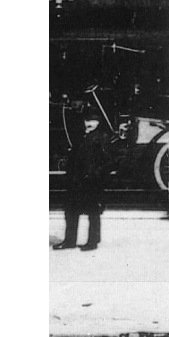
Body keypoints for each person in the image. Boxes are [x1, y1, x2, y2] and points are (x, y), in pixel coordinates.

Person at [58, 108, 120, 252]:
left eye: (93, 120)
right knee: (71, 212)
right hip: (77, 181)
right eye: (87, 120)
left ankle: (92, 242)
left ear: (98, 122)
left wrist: (97, 174)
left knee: (93, 213)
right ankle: (69, 241)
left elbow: (110, 161)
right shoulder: (81, 137)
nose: (89, 123)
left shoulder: (102, 138)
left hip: (92, 182)